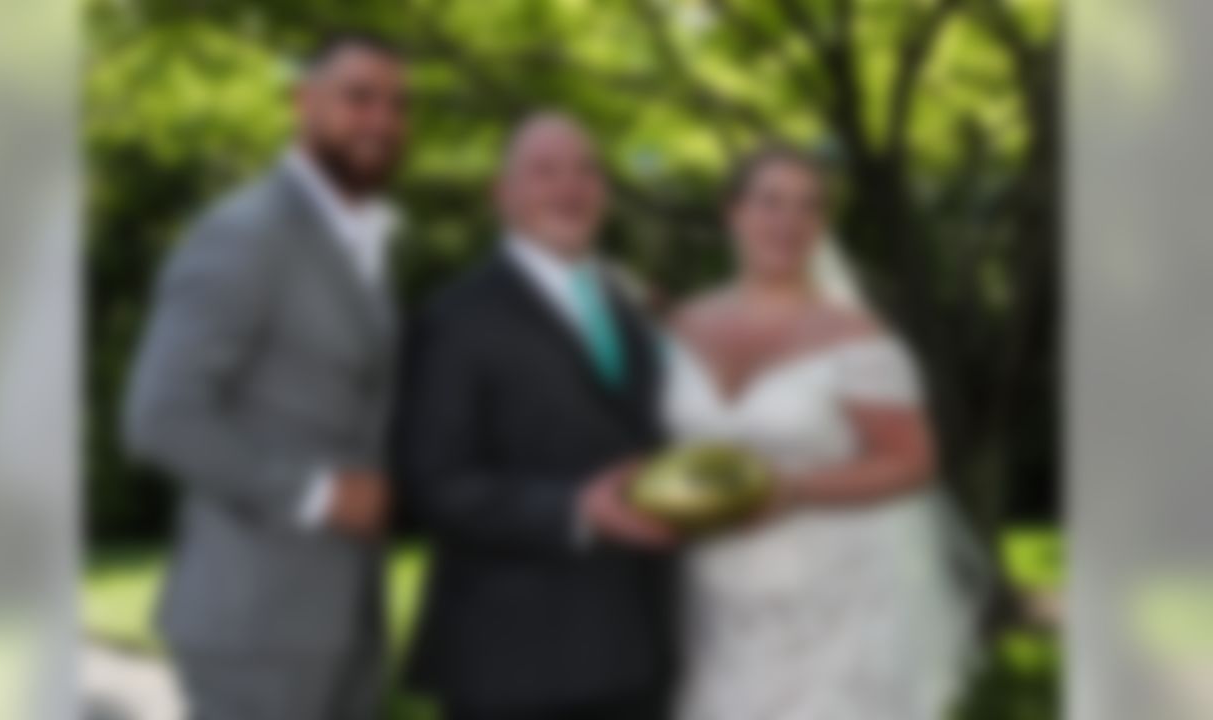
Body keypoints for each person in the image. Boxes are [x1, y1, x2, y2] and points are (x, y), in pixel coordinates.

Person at [123, 32, 408, 720]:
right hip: (255, 632)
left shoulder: (363, 240)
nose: (381, 120)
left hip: (347, 624)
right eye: (358, 97)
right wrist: (317, 495)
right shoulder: (243, 234)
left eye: (399, 105)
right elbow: (160, 417)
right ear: (302, 102)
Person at [666, 145, 983, 720]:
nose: (788, 223)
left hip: (829, 605)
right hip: (708, 600)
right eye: (770, 203)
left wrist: (790, 489)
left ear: (823, 225)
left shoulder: (858, 339)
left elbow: (913, 461)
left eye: (808, 208)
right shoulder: (681, 327)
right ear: (731, 212)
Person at [395, 113, 677, 720]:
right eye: (545, 171)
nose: (570, 188)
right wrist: (577, 509)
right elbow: (436, 486)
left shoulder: (628, 305)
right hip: (517, 670)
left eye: (586, 170)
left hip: (640, 655)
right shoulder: (457, 318)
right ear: (503, 195)